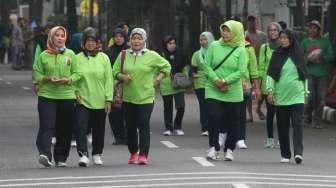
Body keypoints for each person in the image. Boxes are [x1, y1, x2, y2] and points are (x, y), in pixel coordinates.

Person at [113, 28, 171, 165]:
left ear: (144, 40)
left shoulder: (151, 55)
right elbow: (114, 71)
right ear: (130, 40)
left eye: (139, 38)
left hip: (146, 97)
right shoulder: (123, 54)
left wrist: (157, 80)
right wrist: (123, 77)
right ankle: (133, 152)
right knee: (130, 126)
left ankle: (144, 154)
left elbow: (166, 67)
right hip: (128, 97)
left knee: (143, 124)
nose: (136, 41)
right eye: (134, 38)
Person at [33, 26, 81, 167]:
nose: (60, 38)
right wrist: (47, 79)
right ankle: (45, 154)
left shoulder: (71, 54)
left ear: (65, 38)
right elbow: (37, 73)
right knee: (47, 126)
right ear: (51, 38)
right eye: (57, 35)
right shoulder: (43, 55)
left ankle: (61, 157)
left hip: (66, 96)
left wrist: (68, 80)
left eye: (62, 35)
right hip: (47, 95)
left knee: (64, 128)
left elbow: (78, 73)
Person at [205, 20, 247, 161]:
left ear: (235, 32)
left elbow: (241, 71)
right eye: (223, 30)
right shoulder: (214, 45)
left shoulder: (241, 49)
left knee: (233, 121)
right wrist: (216, 80)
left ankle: (229, 148)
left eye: (228, 30)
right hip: (213, 87)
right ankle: (213, 147)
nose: (225, 33)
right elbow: (207, 65)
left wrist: (225, 81)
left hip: (232, 90)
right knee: (213, 116)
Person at [266, 29, 308, 164]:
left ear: (291, 39)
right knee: (282, 126)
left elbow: (304, 76)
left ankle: (298, 153)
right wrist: (270, 91)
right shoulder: (276, 54)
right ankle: (285, 154)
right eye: (281, 38)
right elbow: (271, 74)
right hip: (281, 97)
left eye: (285, 38)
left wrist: (306, 93)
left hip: (297, 95)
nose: (282, 40)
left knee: (297, 125)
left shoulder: (299, 54)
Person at [74, 27, 113, 167]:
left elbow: (109, 79)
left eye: (93, 41)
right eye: (87, 41)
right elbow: (73, 77)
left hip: (100, 100)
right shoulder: (76, 58)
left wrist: (109, 99)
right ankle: (83, 154)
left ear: (98, 43)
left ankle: (97, 153)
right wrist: (75, 92)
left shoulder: (104, 58)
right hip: (82, 100)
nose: (90, 43)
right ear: (83, 43)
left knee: (99, 129)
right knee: (81, 127)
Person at [301, 20, 334, 129]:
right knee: (310, 97)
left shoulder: (325, 42)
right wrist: (308, 59)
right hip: (309, 73)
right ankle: (307, 116)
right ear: (308, 29)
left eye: (315, 28)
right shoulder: (305, 42)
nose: (313, 30)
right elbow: (299, 58)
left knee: (321, 98)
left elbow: (332, 56)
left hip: (322, 74)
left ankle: (317, 120)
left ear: (319, 30)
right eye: (311, 27)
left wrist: (321, 57)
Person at [259, 22, 282, 148]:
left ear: (279, 32)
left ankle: (281, 138)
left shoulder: (284, 46)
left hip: (281, 83)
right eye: (270, 30)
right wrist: (261, 86)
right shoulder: (265, 47)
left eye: (275, 30)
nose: (272, 32)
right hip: (269, 83)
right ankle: (270, 138)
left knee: (281, 113)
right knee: (270, 113)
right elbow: (261, 67)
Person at [160, 35, 188, 136]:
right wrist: (156, 81)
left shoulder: (181, 53)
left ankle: (178, 126)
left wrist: (184, 77)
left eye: (174, 43)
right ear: (165, 44)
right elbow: (156, 69)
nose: (172, 45)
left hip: (178, 83)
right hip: (166, 85)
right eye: (170, 43)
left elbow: (185, 66)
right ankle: (168, 128)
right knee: (167, 107)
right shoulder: (161, 55)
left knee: (181, 106)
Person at [105, 28, 129, 145]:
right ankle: (118, 136)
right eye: (116, 36)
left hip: (128, 85)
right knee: (114, 112)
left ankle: (127, 135)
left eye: (121, 36)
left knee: (128, 111)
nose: (118, 38)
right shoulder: (108, 52)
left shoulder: (130, 52)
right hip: (113, 85)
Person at [236, 40, 260, 149]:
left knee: (241, 112)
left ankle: (241, 138)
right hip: (227, 84)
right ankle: (223, 136)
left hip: (244, 85)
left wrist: (257, 88)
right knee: (227, 112)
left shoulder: (248, 48)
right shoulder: (222, 45)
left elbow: (253, 70)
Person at [191, 31, 215, 136]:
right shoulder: (197, 54)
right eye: (201, 40)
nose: (203, 42)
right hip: (200, 82)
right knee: (203, 105)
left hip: (212, 81)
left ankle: (214, 126)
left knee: (212, 105)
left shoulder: (215, 52)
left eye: (205, 39)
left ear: (210, 40)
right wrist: (193, 74)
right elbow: (193, 68)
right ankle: (205, 128)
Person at [245, 15, 267, 120]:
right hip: (248, 66)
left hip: (260, 65)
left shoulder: (262, 36)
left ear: (256, 22)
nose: (251, 23)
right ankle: (249, 115)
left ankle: (258, 108)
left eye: (253, 21)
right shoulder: (244, 35)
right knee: (248, 91)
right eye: (250, 21)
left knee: (261, 89)